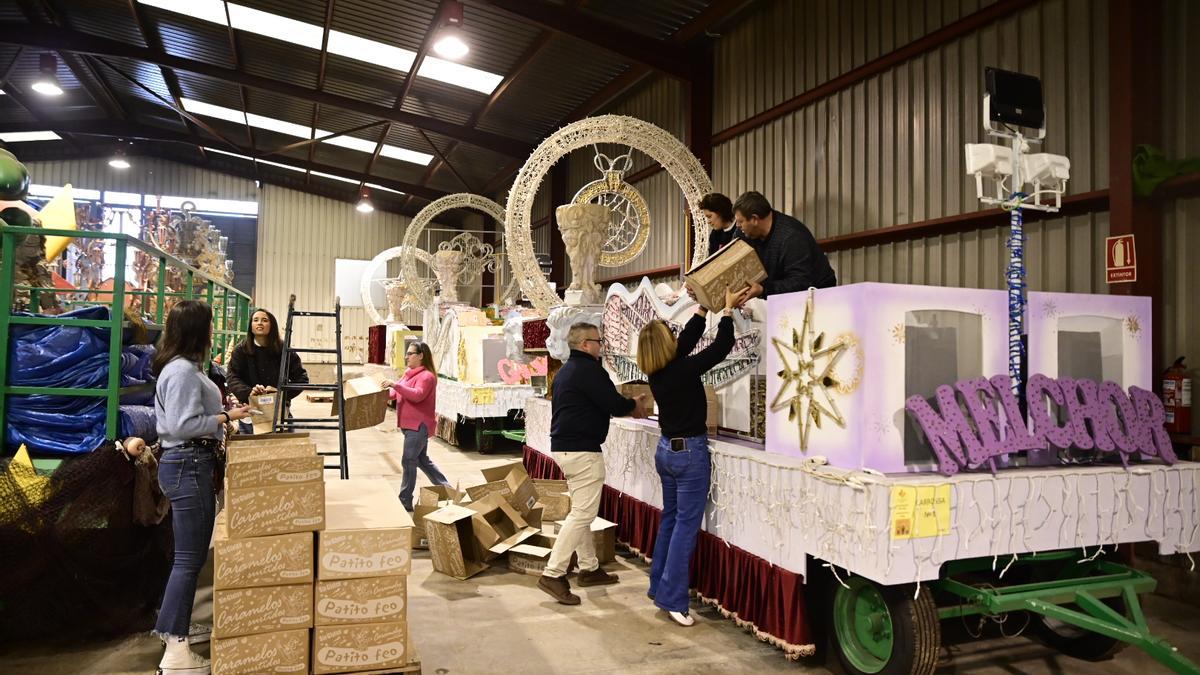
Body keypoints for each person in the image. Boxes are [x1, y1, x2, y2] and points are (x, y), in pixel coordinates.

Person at [152, 300, 253, 675]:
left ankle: (171, 627)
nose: (214, 332)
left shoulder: (186, 368)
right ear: (197, 330)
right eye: (210, 325)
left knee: (187, 557)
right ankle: (176, 653)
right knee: (189, 560)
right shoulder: (180, 371)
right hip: (188, 465)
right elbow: (181, 425)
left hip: (191, 464)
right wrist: (224, 416)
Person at [638, 287, 740, 627]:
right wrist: (725, 313)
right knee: (684, 527)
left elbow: (686, 342)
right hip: (688, 454)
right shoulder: (680, 370)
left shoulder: (660, 370)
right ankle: (674, 599)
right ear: (667, 343)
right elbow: (720, 349)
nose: (676, 337)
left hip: (667, 452)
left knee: (670, 520)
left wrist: (702, 309)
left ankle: (659, 587)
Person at [538, 322, 647, 605]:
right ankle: (553, 573)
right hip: (582, 450)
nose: (602, 346)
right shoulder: (589, 371)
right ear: (585, 344)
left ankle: (589, 568)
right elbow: (614, 404)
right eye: (599, 341)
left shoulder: (566, 371)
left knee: (581, 510)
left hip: (566, 448)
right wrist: (633, 403)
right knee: (582, 515)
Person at [380, 342, 451, 511]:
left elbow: (417, 395)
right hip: (409, 426)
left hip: (418, 426)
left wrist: (395, 384)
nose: (406, 356)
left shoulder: (427, 377)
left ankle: (405, 500)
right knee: (421, 460)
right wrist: (376, 393)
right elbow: (394, 394)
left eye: (410, 353)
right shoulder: (408, 375)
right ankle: (448, 490)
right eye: (407, 353)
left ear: (421, 356)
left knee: (408, 460)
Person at [732, 191, 836, 304]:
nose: (737, 226)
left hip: (817, 296)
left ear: (754, 219)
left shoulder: (792, 237)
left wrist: (764, 289)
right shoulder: (743, 234)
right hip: (775, 293)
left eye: (740, 221)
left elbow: (801, 282)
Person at [226, 309, 308, 433]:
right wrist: (250, 392)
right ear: (251, 326)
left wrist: (280, 392)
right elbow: (232, 377)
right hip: (249, 412)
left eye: (264, 320)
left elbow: (301, 379)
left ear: (272, 325)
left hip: (279, 412)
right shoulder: (241, 350)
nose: (260, 323)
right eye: (255, 320)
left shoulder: (284, 351)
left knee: (284, 449)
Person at [699, 192, 738, 257]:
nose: (708, 221)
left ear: (721, 211)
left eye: (709, 216)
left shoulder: (740, 230)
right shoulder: (714, 235)